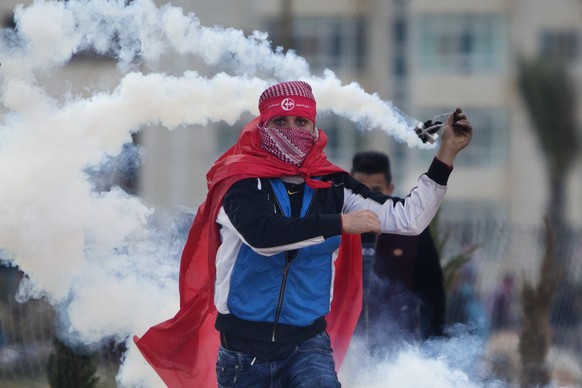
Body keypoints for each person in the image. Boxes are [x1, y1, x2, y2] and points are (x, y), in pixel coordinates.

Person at [135, 80, 473, 387]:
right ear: (263, 126)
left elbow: (408, 219)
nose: (291, 129)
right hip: (242, 355)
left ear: (314, 127)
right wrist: (338, 224)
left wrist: (445, 155)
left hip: (307, 347)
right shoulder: (240, 180)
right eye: (280, 122)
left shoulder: (333, 185)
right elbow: (264, 236)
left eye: (300, 122)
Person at [351, 151, 446, 355]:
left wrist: (434, 349)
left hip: (399, 348)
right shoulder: (337, 229)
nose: (368, 198)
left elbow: (432, 293)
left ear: (390, 189)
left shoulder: (411, 232)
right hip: (345, 349)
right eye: (361, 190)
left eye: (376, 190)